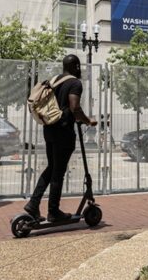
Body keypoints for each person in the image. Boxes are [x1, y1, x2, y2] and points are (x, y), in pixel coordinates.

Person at [24, 54, 97, 222]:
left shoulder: (54, 80)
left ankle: (33, 205)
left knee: (51, 168)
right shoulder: (75, 83)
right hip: (63, 132)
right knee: (58, 172)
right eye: (79, 67)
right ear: (76, 67)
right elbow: (75, 107)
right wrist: (88, 121)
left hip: (49, 129)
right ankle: (53, 212)